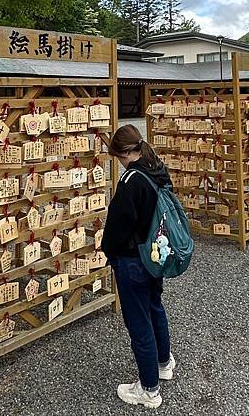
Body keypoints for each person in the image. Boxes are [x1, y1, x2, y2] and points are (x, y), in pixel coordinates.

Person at [101, 124, 176, 409]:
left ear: (124, 152)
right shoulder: (157, 168)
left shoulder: (132, 180)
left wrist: (108, 251)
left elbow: (118, 226)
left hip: (133, 258)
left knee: (138, 321)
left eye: (117, 156)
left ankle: (148, 390)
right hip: (156, 252)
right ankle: (163, 362)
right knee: (155, 306)